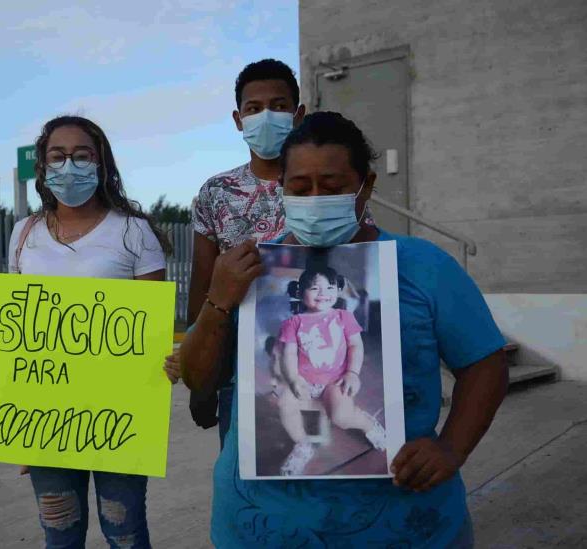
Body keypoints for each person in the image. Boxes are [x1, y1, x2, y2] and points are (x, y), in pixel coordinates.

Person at [180, 111, 508, 547]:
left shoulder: (422, 266)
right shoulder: (249, 269)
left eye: (332, 188)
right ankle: (303, 447)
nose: (315, 198)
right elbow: (198, 379)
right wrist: (219, 298)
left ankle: (368, 431)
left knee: (342, 406)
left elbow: (485, 363)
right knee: (297, 411)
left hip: (405, 525)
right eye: (300, 188)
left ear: (365, 186)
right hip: (258, 527)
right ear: (282, 188)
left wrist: (451, 448)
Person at [0, 115, 180, 549]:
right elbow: (11, 329)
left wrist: (170, 359)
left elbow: (153, 329)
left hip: (118, 415)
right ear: (42, 167)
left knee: (126, 533)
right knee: (59, 535)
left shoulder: (134, 231)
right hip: (47, 420)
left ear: (101, 164)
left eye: (82, 156)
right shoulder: (23, 235)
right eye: (58, 156)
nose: (69, 165)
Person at [186, 58, 305, 444]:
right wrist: (201, 382)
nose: (266, 116)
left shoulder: (328, 187)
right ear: (239, 120)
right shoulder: (216, 192)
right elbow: (202, 288)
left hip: (315, 366)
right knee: (247, 491)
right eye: (254, 109)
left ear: (299, 114)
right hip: (240, 377)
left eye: (279, 105)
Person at [277, 265, 386, 476]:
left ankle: (368, 425)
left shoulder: (344, 317)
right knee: (286, 404)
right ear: (300, 292)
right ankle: (304, 444)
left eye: (329, 287)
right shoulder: (293, 323)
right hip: (305, 381)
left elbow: (356, 346)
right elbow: (289, 354)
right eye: (315, 288)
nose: (323, 293)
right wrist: (294, 379)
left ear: (337, 290)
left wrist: (352, 373)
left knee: (341, 417)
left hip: (336, 380)